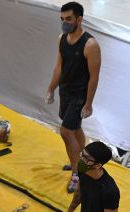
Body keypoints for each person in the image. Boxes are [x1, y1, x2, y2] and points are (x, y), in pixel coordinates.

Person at [45, 1, 101, 193]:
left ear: (79, 19)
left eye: (68, 19)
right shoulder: (61, 38)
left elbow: (94, 77)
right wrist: (51, 88)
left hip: (79, 96)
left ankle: (78, 173)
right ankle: (82, 160)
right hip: (65, 92)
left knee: (65, 131)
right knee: (75, 129)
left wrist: (89, 103)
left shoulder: (90, 44)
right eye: (62, 19)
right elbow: (59, 66)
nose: (65, 22)